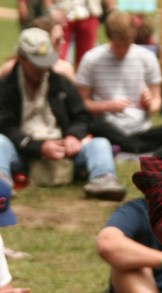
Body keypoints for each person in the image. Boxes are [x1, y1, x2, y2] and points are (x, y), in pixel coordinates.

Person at [0, 27, 126, 201]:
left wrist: (73, 137)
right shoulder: (6, 86)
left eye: (45, 62)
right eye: (36, 63)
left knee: (100, 143)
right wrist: (39, 148)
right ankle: (2, 182)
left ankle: (103, 179)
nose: (42, 68)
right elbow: (6, 126)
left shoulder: (60, 82)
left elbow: (82, 116)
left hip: (63, 152)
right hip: (23, 153)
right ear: (21, 59)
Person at [76, 11, 162, 155]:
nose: (123, 50)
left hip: (141, 128)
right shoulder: (92, 59)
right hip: (107, 125)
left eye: (127, 44)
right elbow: (82, 103)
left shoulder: (147, 57)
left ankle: (130, 145)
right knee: (94, 125)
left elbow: (157, 101)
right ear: (110, 38)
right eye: (119, 45)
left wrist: (149, 103)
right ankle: (139, 146)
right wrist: (107, 106)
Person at [0, 15, 75, 80]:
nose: (63, 42)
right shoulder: (11, 68)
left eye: (62, 38)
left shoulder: (65, 70)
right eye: (57, 40)